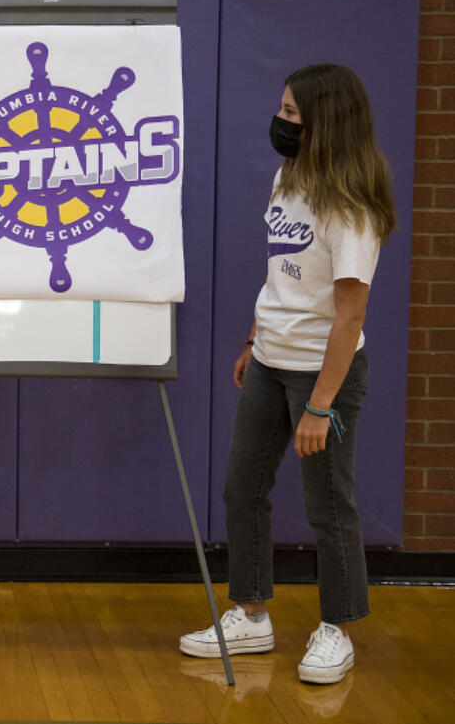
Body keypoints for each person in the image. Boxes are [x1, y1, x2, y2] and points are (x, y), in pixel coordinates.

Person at [179, 64, 395, 685]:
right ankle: (250, 611)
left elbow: (350, 315)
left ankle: (338, 628)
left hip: (323, 374)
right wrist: (254, 338)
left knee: (329, 505)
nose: (281, 122)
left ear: (325, 122)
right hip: (272, 360)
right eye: (283, 109)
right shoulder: (287, 177)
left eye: (292, 114)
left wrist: (322, 404)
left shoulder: (351, 209)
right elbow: (280, 271)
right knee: (242, 487)